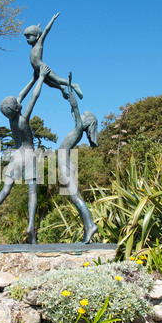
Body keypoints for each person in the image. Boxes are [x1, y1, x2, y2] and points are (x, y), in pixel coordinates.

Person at [0, 64, 51, 244]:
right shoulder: (23, 118)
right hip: (28, 156)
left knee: (5, 189)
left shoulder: (11, 119)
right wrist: (41, 77)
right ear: (18, 108)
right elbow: (34, 96)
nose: (19, 102)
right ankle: (31, 227)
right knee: (32, 193)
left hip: (16, 155)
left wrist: (32, 79)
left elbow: (21, 95)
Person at [58, 71, 98, 243]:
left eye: (83, 116)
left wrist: (70, 87)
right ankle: (89, 226)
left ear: (86, 121)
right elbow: (73, 111)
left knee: (75, 197)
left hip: (65, 163)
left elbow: (74, 107)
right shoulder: (77, 129)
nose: (80, 116)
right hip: (64, 163)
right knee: (74, 197)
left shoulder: (79, 129)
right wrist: (65, 90)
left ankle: (90, 226)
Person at [24, 13, 83, 100]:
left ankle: (74, 85)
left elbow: (46, 30)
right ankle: (62, 88)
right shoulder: (33, 47)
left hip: (42, 68)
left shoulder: (39, 44)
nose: (27, 39)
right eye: (26, 37)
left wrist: (52, 20)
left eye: (29, 36)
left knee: (57, 80)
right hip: (37, 70)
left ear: (37, 36)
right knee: (50, 84)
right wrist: (37, 27)